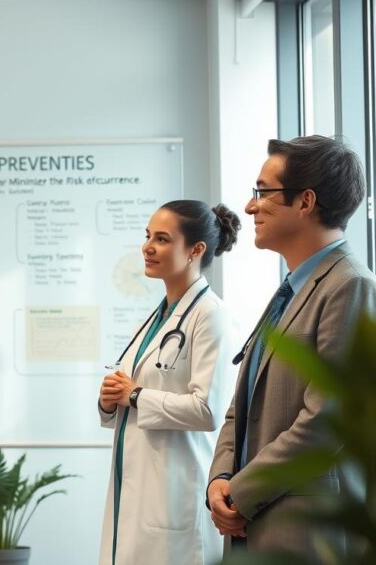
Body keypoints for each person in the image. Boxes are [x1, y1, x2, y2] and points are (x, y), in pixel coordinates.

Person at [208, 136, 376, 559]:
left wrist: (241, 493)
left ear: (305, 202)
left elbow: (326, 420)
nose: (249, 208)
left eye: (262, 193)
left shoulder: (351, 285)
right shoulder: (289, 289)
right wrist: (220, 478)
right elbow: (241, 404)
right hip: (252, 520)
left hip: (303, 530)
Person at [98, 200, 240, 565]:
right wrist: (111, 399)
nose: (147, 247)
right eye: (147, 237)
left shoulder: (211, 316)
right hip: (137, 488)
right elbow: (132, 395)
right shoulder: (157, 318)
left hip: (175, 495)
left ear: (195, 250)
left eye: (162, 239)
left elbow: (209, 410)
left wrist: (135, 395)